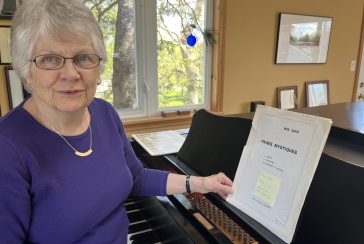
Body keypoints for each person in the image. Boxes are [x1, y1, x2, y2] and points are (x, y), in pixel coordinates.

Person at [0, 0, 233, 243]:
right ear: (26, 71)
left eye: (83, 57)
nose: (70, 74)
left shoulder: (104, 113)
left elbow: (137, 177)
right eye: (49, 59)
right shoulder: (7, 147)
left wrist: (200, 182)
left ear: (98, 66)